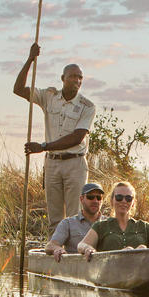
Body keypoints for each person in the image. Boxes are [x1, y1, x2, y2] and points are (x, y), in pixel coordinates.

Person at [13, 42, 96, 226]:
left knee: (75, 217)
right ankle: (54, 245)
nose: (77, 81)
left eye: (80, 77)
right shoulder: (49, 96)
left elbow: (77, 137)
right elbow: (18, 89)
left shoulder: (87, 106)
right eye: (73, 76)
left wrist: (43, 146)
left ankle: (75, 245)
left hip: (75, 164)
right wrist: (30, 59)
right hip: (52, 164)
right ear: (63, 78)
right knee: (55, 219)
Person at [77, 181, 149, 260]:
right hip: (111, 272)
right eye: (119, 197)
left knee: (142, 248)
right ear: (112, 200)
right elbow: (81, 244)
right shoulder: (101, 226)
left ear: (133, 203)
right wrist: (87, 248)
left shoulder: (143, 227)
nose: (124, 201)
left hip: (139, 272)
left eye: (128, 198)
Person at [45, 182, 104, 261]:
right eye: (90, 197)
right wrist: (58, 249)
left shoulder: (109, 223)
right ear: (81, 199)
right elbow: (50, 245)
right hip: (75, 266)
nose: (95, 201)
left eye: (99, 198)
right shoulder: (68, 223)